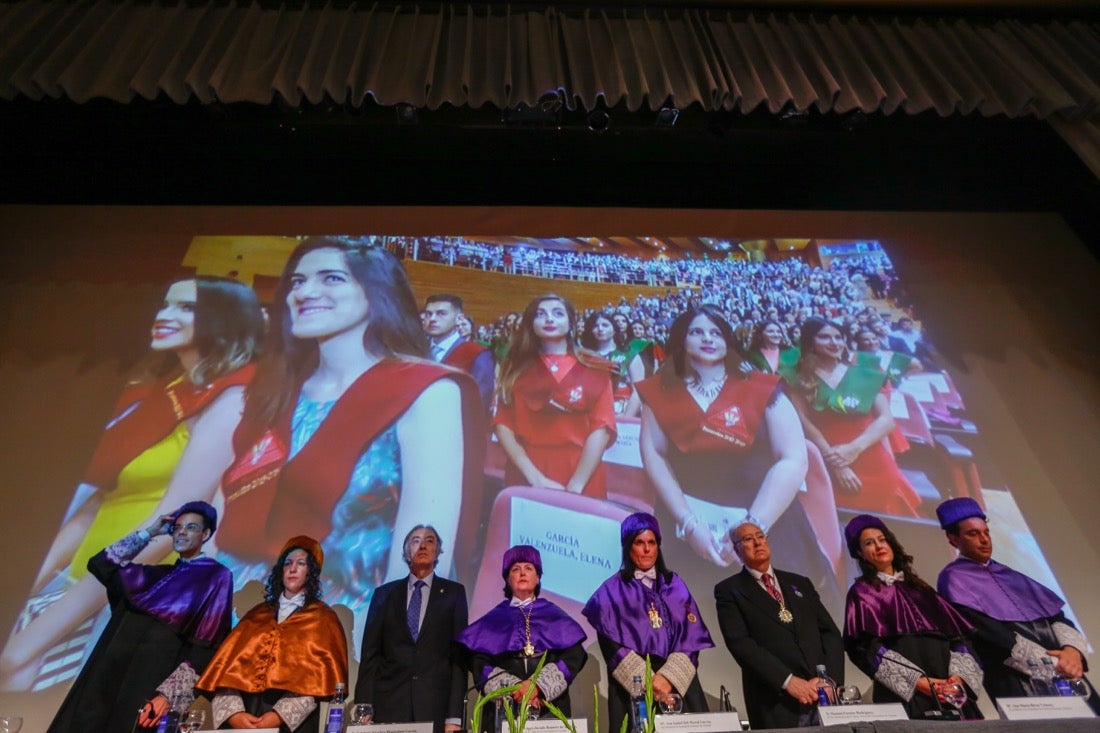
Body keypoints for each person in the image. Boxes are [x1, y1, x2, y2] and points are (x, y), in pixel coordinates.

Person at [1, 277, 262, 691]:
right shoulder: (165, 391)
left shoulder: (231, 401)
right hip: (76, 584)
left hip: (119, 602)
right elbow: (99, 504)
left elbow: (172, 529)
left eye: (185, 308)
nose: (164, 316)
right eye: (164, 304)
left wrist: (28, 645)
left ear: (225, 319)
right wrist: (17, 597)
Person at [216, 238, 485, 618]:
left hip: (338, 623)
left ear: (376, 292)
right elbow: (225, 505)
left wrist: (386, 653)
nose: (305, 292)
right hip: (231, 597)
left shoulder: (426, 392)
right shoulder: (281, 388)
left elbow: (424, 555)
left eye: (331, 278)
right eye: (296, 282)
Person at [635, 305, 838, 607]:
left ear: (728, 340)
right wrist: (689, 524)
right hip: (689, 521)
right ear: (682, 339)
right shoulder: (659, 391)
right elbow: (654, 454)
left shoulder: (762, 386)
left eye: (716, 332)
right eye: (697, 332)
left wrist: (753, 528)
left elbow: (793, 458)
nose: (708, 338)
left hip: (766, 517)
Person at [46, 501, 234, 733]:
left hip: (148, 684)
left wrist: (167, 696)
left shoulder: (215, 577)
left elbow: (206, 645)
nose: (182, 532)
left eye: (191, 527)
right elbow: (101, 564)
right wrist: (150, 532)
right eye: (177, 526)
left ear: (205, 534)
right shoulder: (151, 575)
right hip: (104, 679)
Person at [935, 498, 1099, 712]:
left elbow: (1056, 616)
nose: (984, 540)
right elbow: (990, 633)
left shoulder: (1011, 575)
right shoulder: (953, 579)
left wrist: (1072, 652)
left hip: (1067, 671)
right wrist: (1054, 664)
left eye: (986, 532)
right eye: (973, 534)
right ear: (953, 539)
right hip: (1018, 679)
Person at [196, 535, 348, 731]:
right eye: (288, 563)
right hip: (245, 716)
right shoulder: (256, 615)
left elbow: (317, 681)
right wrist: (234, 714)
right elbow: (225, 670)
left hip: (293, 724)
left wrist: (279, 716)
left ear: (312, 571)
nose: (292, 569)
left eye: (301, 563)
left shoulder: (324, 618)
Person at [842, 514, 983, 720]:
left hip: (950, 691)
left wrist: (957, 679)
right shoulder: (861, 592)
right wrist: (919, 682)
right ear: (859, 553)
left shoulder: (921, 588)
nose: (879, 546)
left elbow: (958, 637)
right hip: (908, 697)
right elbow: (864, 648)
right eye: (869, 543)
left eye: (882, 539)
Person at [582, 513, 713, 732]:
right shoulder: (611, 591)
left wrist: (668, 679)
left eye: (651, 543)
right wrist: (649, 683)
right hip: (633, 690)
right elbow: (611, 646)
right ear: (628, 547)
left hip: (679, 687)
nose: (646, 549)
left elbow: (690, 638)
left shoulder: (675, 584)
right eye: (639, 543)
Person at [714, 522, 844, 729]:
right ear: (737, 550)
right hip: (776, 701)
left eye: (760, 536)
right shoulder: (729, 590)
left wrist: (829, 681)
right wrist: (788, 681)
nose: (757, 542)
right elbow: (741, 644)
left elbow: (830, 633)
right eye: (748, 539)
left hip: (823, 695)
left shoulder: (800, 583)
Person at [786, 318, 920, 517]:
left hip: (870, 454)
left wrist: (853, 449)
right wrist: (837, 464)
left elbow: (886, 420)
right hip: (824, 459)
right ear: (809, 341)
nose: (834, 342)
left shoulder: (866, 372)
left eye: (838, 337)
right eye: (824, 337)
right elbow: (804, 423)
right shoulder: (796, 377)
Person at [494, 294, 616, 498]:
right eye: (540, 314)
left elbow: (602, 428)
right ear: (531, 324)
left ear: (571, 324)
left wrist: (577, 484)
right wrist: (534, 477)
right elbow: (502, 425)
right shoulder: (514, 368)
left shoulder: (596, 366)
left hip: (581, 470)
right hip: (527, 469)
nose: (549, 319)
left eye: (558, 313)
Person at [457, 545, 587, 728]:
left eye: (529, 568)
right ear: (508, 579)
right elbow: (479, 663)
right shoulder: (492, 620)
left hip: (549, 708)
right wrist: (515, 688)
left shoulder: (554, 615)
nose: (522, 573)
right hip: (503, 710)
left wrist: (538, 686)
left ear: (538, 577)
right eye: (515, 569)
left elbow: (574, 656)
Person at [356, 525, 469, 733]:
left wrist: (454, 716)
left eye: (430, 540)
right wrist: (364, 706)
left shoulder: (454, 593)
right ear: (407, 552)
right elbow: (370, 656)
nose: (423, 545)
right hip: (388, 705)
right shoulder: (384, 595)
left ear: (438, 552)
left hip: (435, 707)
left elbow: (458, 659)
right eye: (416, 540)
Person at [424, 293, 495, 414]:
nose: (432, 319)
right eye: (428, 314)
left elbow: (480, 401)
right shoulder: (417, 350)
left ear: (459, 319)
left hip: (457, 424)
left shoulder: (477, 353)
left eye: (441, 313)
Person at [579, 310, 645, 417]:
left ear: (614, 330)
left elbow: (638, 391)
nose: (600, 329)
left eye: (605, 325)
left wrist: (626, 418)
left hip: (622, 410)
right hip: (591, 412)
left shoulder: (630, 354)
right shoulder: (584, 356)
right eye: (596, 326)